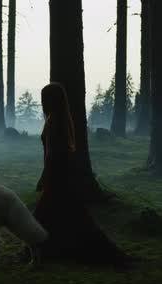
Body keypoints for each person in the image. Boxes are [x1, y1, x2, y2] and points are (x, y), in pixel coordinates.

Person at [33, 83, 128, 265]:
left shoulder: (54, 122)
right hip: (62, 175)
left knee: (42, 216)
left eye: (44, 98)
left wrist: (44, 177)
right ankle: (57, 250)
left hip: (56, 176)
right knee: (70, 214)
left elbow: (53, 154)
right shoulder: (60, 118)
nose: (42, 102)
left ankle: (41, 252)